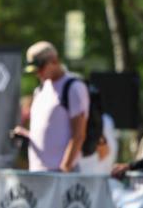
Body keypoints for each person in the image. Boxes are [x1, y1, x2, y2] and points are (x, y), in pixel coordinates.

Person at [13, 41, 89, 172]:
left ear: (54, 61)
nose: (37, 73)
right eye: (34, 69)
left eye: (40, 67)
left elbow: (79, 134)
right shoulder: (40, 90)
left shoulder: (73, 87)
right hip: (38, 172)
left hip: (61, 174)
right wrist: (27, 135)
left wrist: (65, 168)